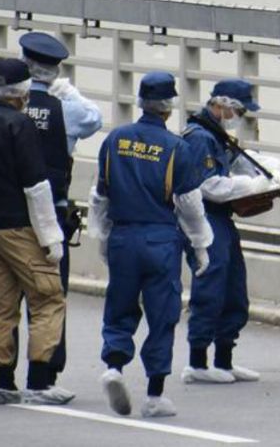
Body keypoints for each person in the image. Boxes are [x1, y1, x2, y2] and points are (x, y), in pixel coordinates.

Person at [88, 72, 213, 418]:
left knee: (120, 305)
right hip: (160, 238)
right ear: (169, 106)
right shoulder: (177, 148)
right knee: (162, 314)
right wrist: (201, 245)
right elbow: (189, 204)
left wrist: (101, 236)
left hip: (122, 236)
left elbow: (100, 194)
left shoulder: (115, 140)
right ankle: (155, 394)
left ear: (141, 101)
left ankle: (114, 365)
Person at [0, 59, 71, 405]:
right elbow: (36, 187)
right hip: (21, 228)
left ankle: (1, 382)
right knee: (47, 297)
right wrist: (51, 238)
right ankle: (40, 382)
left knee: (0, 305)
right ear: (23, 92)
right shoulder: (21, 125)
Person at [181, 79, 279, 384]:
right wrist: (251, 186)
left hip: (220, 219)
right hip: (203, 217)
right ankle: (198, 361)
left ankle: (224, 359)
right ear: (221, 105)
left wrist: (267, 172)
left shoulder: (215, 134)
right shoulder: (199, 137)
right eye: (237, 110)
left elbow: (238, 165)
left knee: (234, 287)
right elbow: (209, 186)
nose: (239, 117)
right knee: (210, 285)